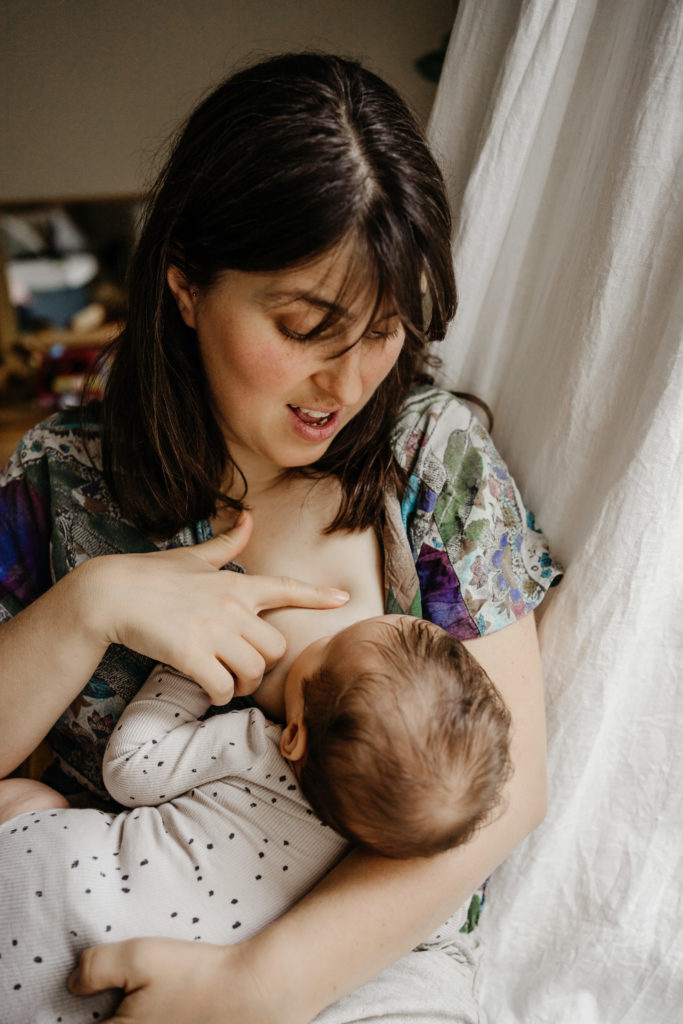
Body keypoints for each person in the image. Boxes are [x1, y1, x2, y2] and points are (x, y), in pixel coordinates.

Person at [0, 52, 561, 1024]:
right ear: (185, 283)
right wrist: (92, 606)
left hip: (367, 958)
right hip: (105, 919)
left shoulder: (429, 457)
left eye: (383, 330)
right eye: (306, 326)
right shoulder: (63, 475)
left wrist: (257, 988)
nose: (345, 386)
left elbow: (506, 792)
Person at [0, 613, 512, 1023]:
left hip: (54, 875)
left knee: (29, 800)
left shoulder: (255, 747)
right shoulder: (380, 863)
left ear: (295, 738)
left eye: (329, 643)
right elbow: (434, 924)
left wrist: (190, 670)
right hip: (137, 988)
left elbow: (129, 771)